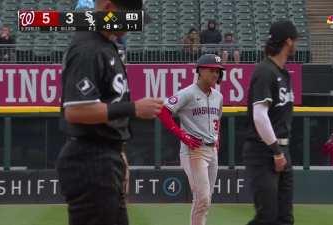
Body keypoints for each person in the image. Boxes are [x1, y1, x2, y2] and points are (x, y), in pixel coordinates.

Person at [56, 1, 163, 225]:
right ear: (108, 8)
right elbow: (75, 111)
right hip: (89, 161)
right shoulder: (88, 48)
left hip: (104, 156)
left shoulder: (105, 44)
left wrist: (119, 155)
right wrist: (134, 108)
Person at [242, 20, 298, 225]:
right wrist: (276, 152)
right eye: (295, 40)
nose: (296, 44)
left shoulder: (282, 73)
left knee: (284, 218)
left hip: (282, 151)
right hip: (263, 150)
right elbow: (259, 115)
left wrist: (281, 153)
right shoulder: (265, 71)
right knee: (267, 217)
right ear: (288, 41)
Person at [157, 54, 224, 225]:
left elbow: (217, 120)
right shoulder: (188, 93)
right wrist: (182, 135)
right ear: (200, 71)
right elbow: (163, 111)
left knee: (205, 198)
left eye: (218, 71)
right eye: (212, 70)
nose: (216, 74)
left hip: (211, 150)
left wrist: (217, 138)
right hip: (194, 150)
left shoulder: (218, 96)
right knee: (202, 198)